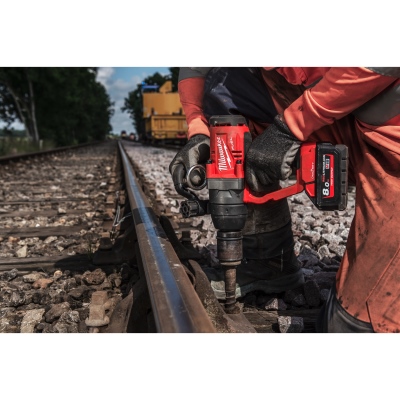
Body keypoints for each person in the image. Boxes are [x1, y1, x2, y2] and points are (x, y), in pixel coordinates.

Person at [169, 67, 400, 333]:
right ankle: (267, 262)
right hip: (352, 114)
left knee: (348, 327)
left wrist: (290, 127)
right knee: (227, 108)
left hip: (393, 142)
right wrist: (199, 130)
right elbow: (199, 66)